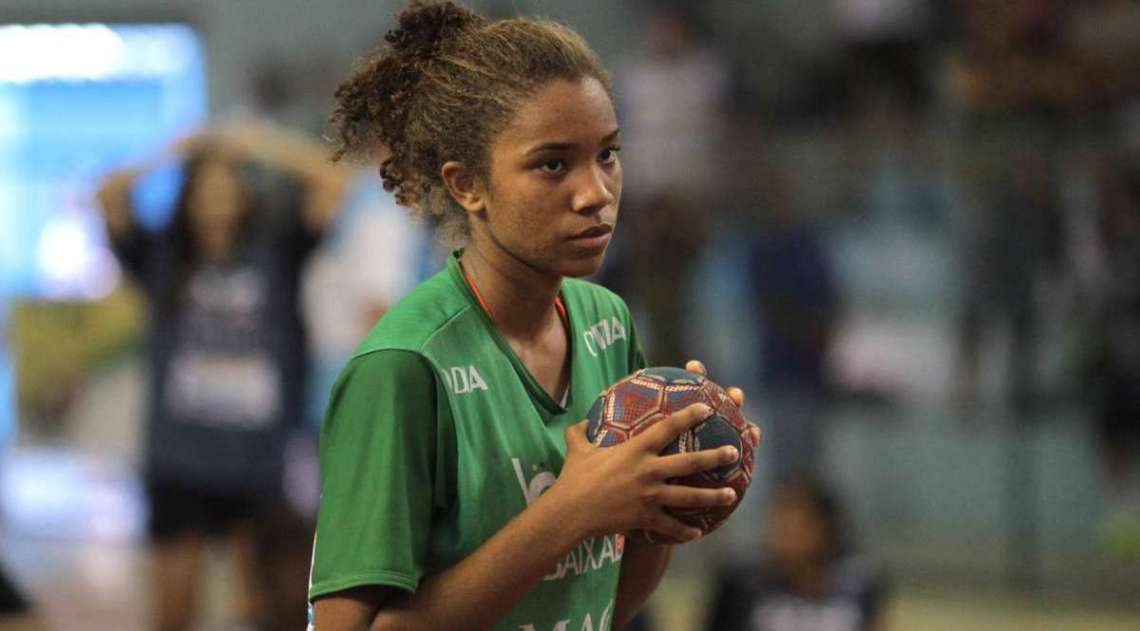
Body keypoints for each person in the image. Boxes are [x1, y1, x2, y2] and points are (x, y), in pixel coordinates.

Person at [307, 2, 760, 630]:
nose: (596, 193)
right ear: (468, 186)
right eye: (553, 164)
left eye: (608, 154)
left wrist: (671, 502)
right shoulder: (404, 367)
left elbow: (598, 603)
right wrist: (569, 511)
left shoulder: (607, 321)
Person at [96, 122, 349, 631]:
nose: (218, 201)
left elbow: (333, 182)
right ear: (188, 198)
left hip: (254, 461)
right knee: (173, 613)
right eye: (207, 190)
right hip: (177, 461)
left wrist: (256, 142)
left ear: (245, 196)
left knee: (265, 610)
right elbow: (108, 194)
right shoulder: (161, 258)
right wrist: (175, 150)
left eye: (228, 188)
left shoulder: (278, 252)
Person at [705, 479, 887, 631]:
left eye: (797, 527)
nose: (784, 536)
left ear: (827, 529)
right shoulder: (744, 585)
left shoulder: (856, 584)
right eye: (780, 525)